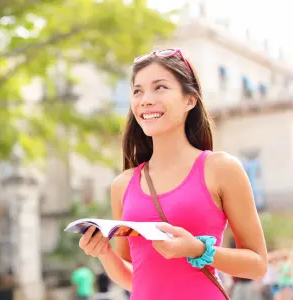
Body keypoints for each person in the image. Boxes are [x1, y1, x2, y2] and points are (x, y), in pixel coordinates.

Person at [77, 49, 268, 299]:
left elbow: (258, 264)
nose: (145, 99)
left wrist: (199, 249)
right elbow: (136, 277)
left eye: (160, 87)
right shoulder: (123, 185)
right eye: (138, 91)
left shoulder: (221, 169)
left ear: (190, 100)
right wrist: (104, 253)